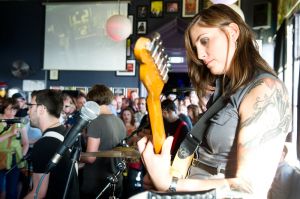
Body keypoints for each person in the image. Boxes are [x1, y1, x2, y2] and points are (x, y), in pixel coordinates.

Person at [137, 4, 291, 199]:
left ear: (233, 31)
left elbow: (251, 188)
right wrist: (165, 176)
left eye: (205, 40)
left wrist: (172, 184)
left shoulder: (265, 90)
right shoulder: (226, 88)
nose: (200, 55)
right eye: (196, 47)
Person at [24, 89, 79, 199]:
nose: (28, 111)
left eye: (30, 106)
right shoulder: (66, 133)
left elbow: (37, 194)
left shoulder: (44, 144)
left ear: (41, 109)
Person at [80, 84, 126, 199]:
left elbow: (91, 157)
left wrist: (72, 154)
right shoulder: (119, 121)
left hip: (97, 182)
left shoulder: (96, 121)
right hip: (115, 179)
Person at [0, 98, 29, 199]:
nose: (12, 112)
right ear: (3, 108)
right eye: (9, 109)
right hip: (1, 157)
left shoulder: (19, 122)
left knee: (12, 190)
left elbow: (26, 143)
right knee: (1, 189)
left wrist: (22, 156)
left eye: (14, 110)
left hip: (14, 159)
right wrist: (10, 134)